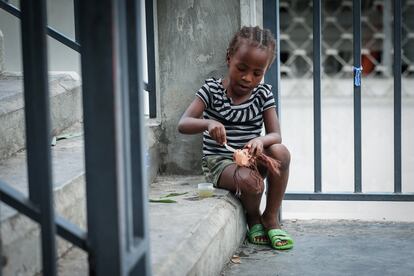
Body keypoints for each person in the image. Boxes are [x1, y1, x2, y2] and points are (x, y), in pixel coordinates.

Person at [177, 26, 293, 250]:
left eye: (257, 73)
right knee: (252, 182)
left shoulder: (263, 94)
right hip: (219, 163)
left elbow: (276, 134)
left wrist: (260, 141)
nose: (248, 78)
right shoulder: (211, 90)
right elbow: (184, 124)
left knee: (281, 152)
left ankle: (271, 217)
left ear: (266, 71)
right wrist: (209, 123)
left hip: (251, 158)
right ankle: (253, 217)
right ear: (229, 59)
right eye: (241, 68)